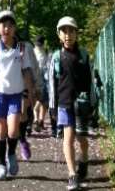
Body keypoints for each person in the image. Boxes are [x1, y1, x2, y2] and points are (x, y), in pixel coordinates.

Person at [0, 10, 35, 181]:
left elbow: (27, 73)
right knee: (1, 133)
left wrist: (30, 95)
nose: (6, 28)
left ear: (14, 28)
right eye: (3, 25)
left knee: (13, 131)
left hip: (16, 96)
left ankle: (11, 154)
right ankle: (1, 166)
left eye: (10, 26)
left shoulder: (22, 49)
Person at [49, 16, 96, 191]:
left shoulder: (84, 56)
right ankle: (72, 175)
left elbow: (91, 82)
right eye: (64, 31)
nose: (68, 35)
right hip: (64, 103)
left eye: (71, 31)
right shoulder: (56, 57)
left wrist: (93, 103)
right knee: (68, 139)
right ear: (59, 35)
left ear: (76, 33)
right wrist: (52, 107)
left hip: (82, 104)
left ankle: (84, 159)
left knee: (82, 139)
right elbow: (52, 84)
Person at [33, 35, 50, 132]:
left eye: (40, 44)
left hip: (44, 80)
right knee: (38, 101)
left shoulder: (46, 52)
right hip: (34, 80)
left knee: (44, 102)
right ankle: (36, 119)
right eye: (37, 44)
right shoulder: (32, 53)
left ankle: (40, 121)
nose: (38, 46)